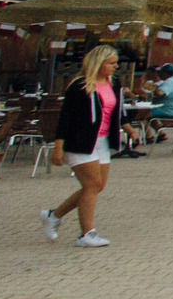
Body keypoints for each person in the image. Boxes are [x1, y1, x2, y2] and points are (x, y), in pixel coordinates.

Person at [41, 44, 124, 248]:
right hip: (79, 140)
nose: (115, 67)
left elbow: (117, 110)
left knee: (97, 186)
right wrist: (58, 146)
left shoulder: (113, 83)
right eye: (111, 63)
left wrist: (128, 128)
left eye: (115, 63)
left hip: (102, 140)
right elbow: (65, 117)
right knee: (91, 185)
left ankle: (54, 215)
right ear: (99, 63)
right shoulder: (80, 85)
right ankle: (86, 233)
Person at [140, 62, 173, 144]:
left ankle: (149, 137)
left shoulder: (170, 81)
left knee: (143, 115)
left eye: (160, 73)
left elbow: (159, 93)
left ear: (165, 73)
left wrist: (152, 92)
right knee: (150, 114)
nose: (159, 74)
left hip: (169, 109)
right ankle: (161, 134)